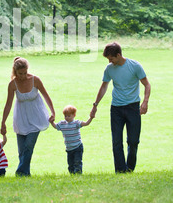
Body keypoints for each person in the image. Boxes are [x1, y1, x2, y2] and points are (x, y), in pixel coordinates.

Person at [91, 42, 151, 173]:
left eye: (111, 58)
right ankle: (120, 170)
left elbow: (147, 84)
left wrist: (145, 102)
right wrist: (95, 105)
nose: (109, 61)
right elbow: (104, 86)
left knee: (133, 141)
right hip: (116, 108)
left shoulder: (134, 66)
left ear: (118, 55)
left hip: (133, 107)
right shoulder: (109, 69)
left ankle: (129, 168)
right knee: (116, 142)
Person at [0, 57, 55, 176]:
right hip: (21, 118)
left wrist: (53, 112)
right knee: (22, 151)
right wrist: (3, 122)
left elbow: (46, 95)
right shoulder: (12, 84)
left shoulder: (35, 80)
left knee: (29, 145)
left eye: (25, 72)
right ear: (15, 71)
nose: (23, 76)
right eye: (20, 73)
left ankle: (20, 172)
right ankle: (26, 174)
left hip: (37, 117)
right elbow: (8, 104)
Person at [50, 104, 94, 174]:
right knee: (70, 164)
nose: (67, 118)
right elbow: (56, 126)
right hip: (69, 148)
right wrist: (52, 122)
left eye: (69, 116)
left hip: (77, 147)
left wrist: (91, 118)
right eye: (65, 116)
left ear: (74, 115)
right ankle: (72, 175)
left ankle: (78, 174)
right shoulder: (62, 124)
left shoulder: (76, 123)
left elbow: (86, 123)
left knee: (77, 162)